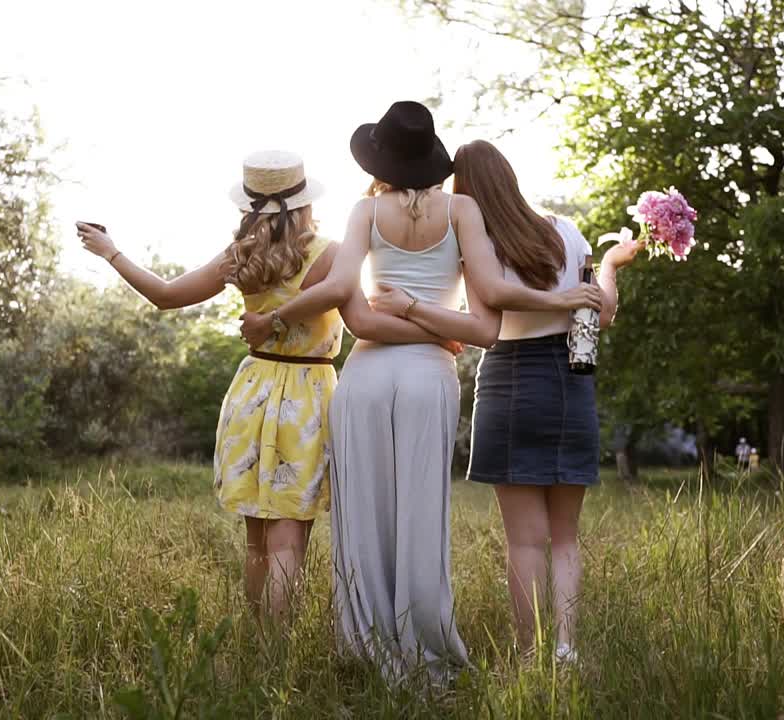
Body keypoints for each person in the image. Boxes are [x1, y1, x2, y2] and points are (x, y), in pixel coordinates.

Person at [240, 103, 598, 682]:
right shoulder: (463, 209)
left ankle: (366, 646)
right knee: (419, 517)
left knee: (367, 517)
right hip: (429, 374)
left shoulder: (363, 211)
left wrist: (395, 309)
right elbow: (484, 327)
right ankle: (423, 642)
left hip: (366, 376)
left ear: (380, 159)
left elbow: (358, 319)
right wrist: (439, 327)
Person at [368, 140, 640, 663]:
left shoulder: (476, 241)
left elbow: (486, 315)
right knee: (564, 538)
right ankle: (565, 648)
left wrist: (410, 307)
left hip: (512, 382)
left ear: (462, 189)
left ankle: (529, 654)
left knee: (525, 541)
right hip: (570, 382)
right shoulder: (564, 229)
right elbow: (601, 313)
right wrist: (609, 263)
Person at [76, 150, 351, 623]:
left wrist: (111, 252)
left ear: (249, 206)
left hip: (253, 391)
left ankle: (254, 637)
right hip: (308, 397)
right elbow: (361, 317)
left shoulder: (240, 256)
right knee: (290, 535)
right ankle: (276, 651)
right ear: (304, 202)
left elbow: (165, 296)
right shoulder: (331, 254)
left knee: (258, 540)